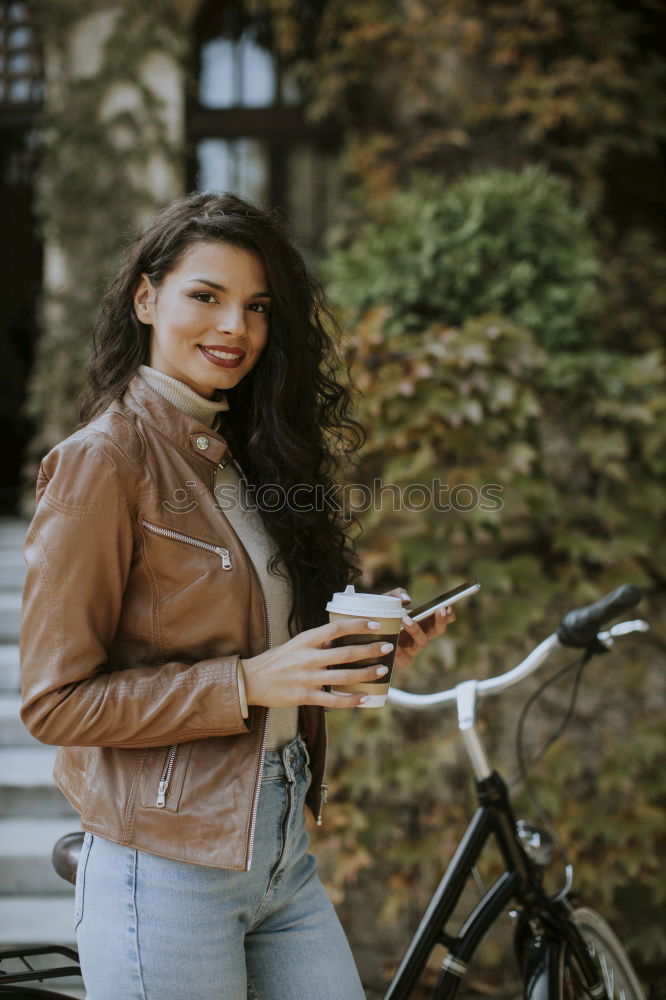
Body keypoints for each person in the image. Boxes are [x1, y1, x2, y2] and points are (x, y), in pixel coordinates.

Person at [19, 191, 455, 1000]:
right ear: (148, 299)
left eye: (256, 308)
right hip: (165, 864)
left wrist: (359, 643)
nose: (235, 329)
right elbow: (54, 704)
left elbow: (259, 631)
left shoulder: (243, 457)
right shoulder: (101, 462)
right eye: (206, 297)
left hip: (282, 852)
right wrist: (248, 683)